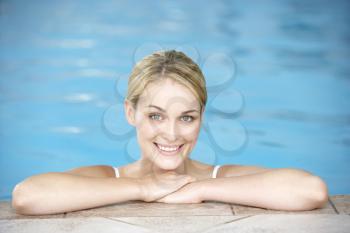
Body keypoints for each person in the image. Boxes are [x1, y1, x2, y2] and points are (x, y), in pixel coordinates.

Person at [12, 50, 328, 215]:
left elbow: (310, 190)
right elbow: (28, 197)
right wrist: (143, 188)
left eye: (187, 118)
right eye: (155, 116)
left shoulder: (219, 177)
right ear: (129, 112)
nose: (172, 134)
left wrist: (201, 190)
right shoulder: (110, 179)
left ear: (202, 117)